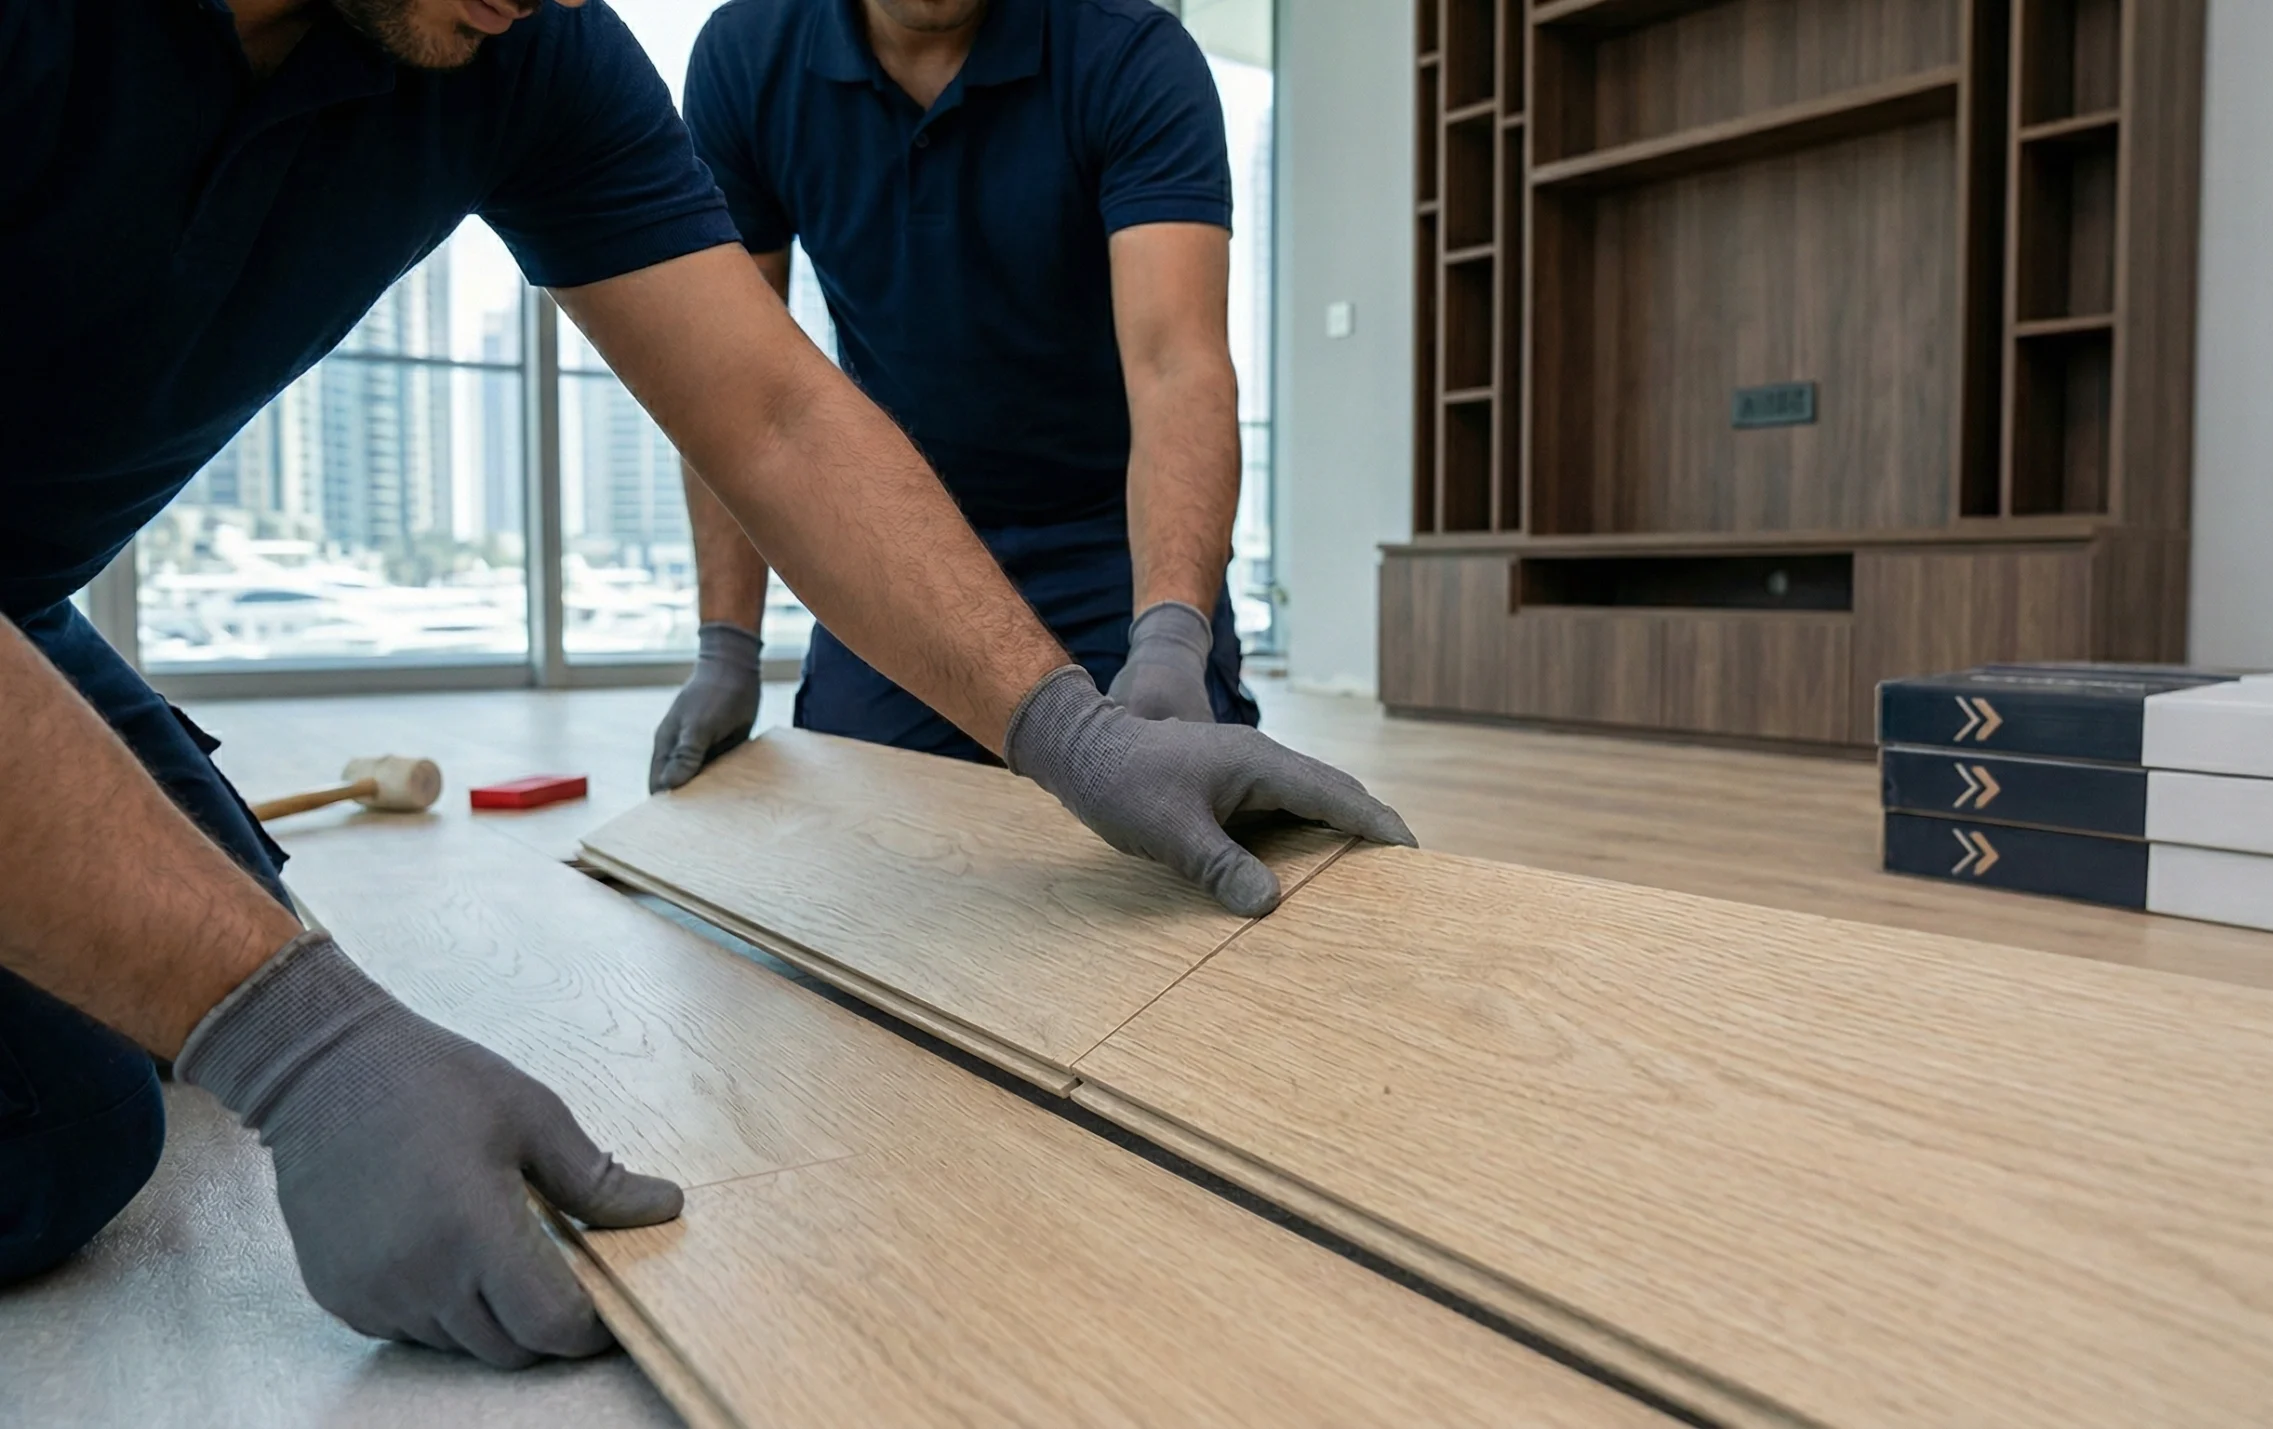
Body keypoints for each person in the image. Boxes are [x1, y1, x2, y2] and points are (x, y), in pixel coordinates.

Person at [0, 0, 1410, 1369]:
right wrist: (300, 1044)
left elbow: (776, 411)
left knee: (199, 913)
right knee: (68, 1125)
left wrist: (1078, 729)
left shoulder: (529, 53)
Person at [648, 0, 1260, 784]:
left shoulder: (1132, 54)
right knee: (871, 833)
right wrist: (726, 648)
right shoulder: (748, 58)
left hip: (1108, 544)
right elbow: (729, 385)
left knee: (1183, 812)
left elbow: (1177, 365)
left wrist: (1173, 636)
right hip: (897, 537)